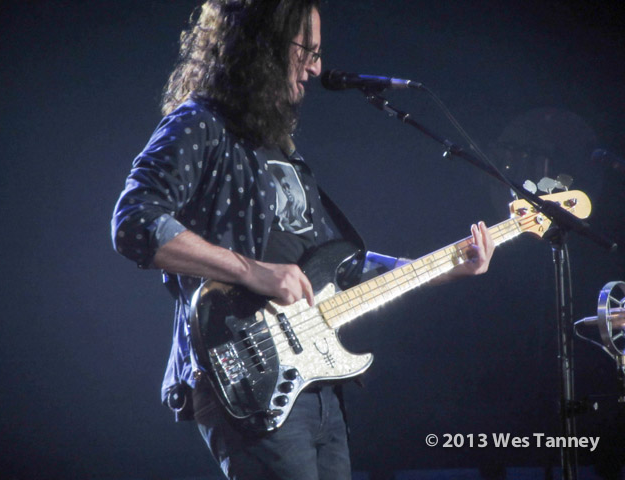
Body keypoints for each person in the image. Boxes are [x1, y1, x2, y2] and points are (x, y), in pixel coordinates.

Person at [111, 1, 495, 479]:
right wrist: (253, 271)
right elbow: (135, 223)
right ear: (263, 47)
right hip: (247, 374)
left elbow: (341, 267)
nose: (316, 67)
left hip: (315, 382)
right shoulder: (200, 123)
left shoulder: (283, 148)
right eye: (307, 51)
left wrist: (444, 267)